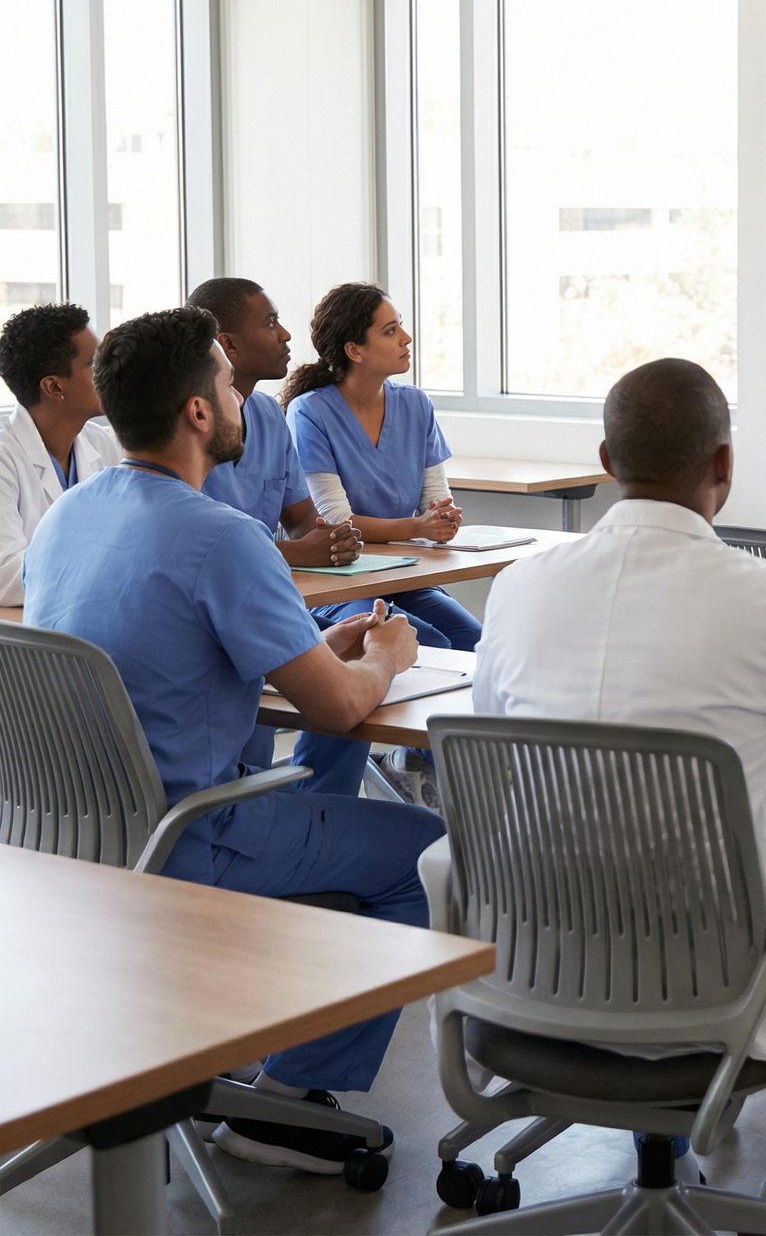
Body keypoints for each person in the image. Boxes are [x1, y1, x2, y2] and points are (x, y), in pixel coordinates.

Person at [472, 358, 766, 1225]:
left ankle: (676, 1153)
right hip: (713, 991)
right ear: (724, 466)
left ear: (605, 458)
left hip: (537, 970)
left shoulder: (517, 588)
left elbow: (499, 751)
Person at [23, 306, 441, 1176]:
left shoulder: (65, 519)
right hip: (182, 840)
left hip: (56, 850)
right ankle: (285, 1105)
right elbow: (334, 714)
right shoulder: (225, 536)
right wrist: (390, 659)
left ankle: (227, 1037)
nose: (244, 399)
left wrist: (312, 652)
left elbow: (159, 656)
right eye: (226, 381)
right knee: (417, 858)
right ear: (199, 413)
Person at [283, 283, 478, 807]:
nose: (406, 338)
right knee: (426, 641)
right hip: (342, 582)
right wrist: (416, 528)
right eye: (390, 330)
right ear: (355, 349)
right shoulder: (309, 412)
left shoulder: (415, 405)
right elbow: (334, 524)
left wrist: (441, 518)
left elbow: (435, 498)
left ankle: (441, 767)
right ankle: (414, 763)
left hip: (406, 577)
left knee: (477, 644)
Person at [188, 276, 369, 795]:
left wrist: (333, 537)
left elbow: (301, 517)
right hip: (235, 619)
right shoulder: (192, 440)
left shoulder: (268, 413)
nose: (287, 333)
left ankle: (317, 804)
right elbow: (212, 551)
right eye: (270, 323)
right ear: (228, 346)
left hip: (274, 602)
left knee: (363, 647)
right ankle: (302, 817)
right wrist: (295, 551)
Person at [0, 302, 122, 605]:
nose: (110, 372)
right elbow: (6, 575)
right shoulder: (4, 456)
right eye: (94, 364)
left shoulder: (104, 444)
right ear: (54, 387)